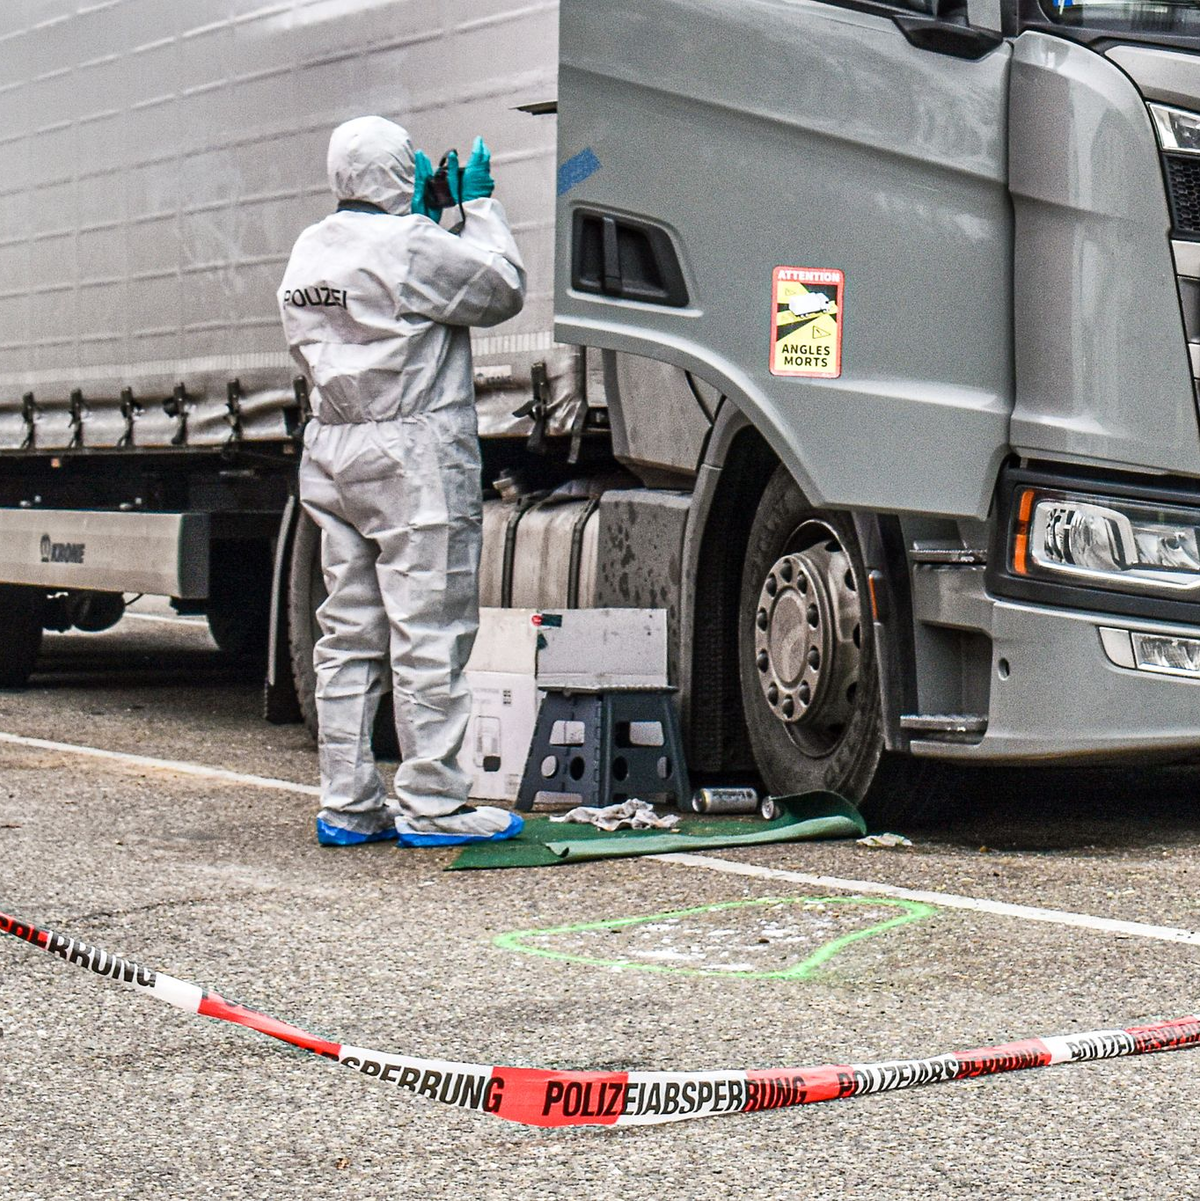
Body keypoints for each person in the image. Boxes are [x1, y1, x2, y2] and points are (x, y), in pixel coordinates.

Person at [278, 115, 527, 847]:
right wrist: (477, 206)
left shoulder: (310, 247)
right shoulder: (414, 244)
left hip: (333, 446)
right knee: (429, 630)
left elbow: (382, 298)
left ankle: (347, 803)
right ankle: (434, 802)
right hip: (411, 453)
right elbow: (500, 287)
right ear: (396, 170)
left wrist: (421, 217)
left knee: (348, 633)